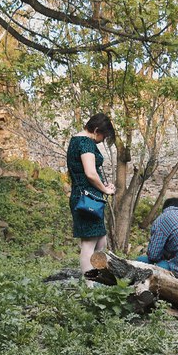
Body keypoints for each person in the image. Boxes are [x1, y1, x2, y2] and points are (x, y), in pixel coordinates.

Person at [67, 113, 116, 276]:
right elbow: (90, 173)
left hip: (87, 197)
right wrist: (105, 189)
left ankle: (98, 279)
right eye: (103, 136)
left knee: (100, 240)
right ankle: (90, 286)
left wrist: (103, 185)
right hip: (87, 199)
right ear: (96, 130)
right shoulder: (85, 143)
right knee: (89, 244)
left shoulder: (76, 141)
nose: (102, 140)